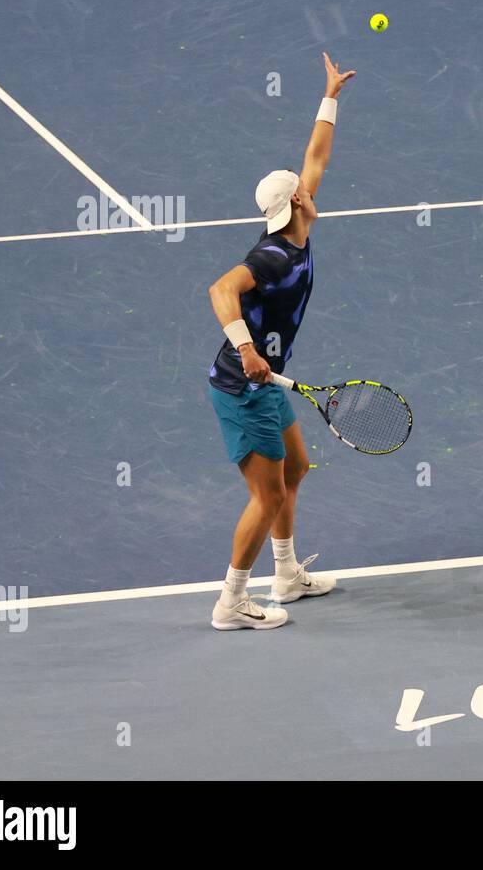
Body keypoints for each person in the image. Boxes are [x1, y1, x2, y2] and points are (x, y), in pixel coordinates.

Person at [204, 52, 355, 630]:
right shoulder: (271, 255)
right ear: (296, 202)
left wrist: (330, 96)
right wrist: (246, 349)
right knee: (265, 498)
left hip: (263, 380)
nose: (312, 187)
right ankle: (231, 602)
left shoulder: (299, 221)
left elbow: (314, 157)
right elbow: (220, 289)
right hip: (241, 387)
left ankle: (287, 576)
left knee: (296, 471)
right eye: (304, 189)